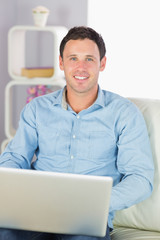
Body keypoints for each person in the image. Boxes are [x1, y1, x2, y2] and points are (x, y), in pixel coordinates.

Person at [0, 26, 154, 240]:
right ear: (61, 63)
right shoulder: (36, 109)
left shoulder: (125, 113)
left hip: (87, 223)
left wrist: (94, 202)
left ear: (102, 63)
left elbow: (140, 178)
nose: (81, 67)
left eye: (89, 59)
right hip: (35, 215)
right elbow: (15, 158)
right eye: (73, 58)